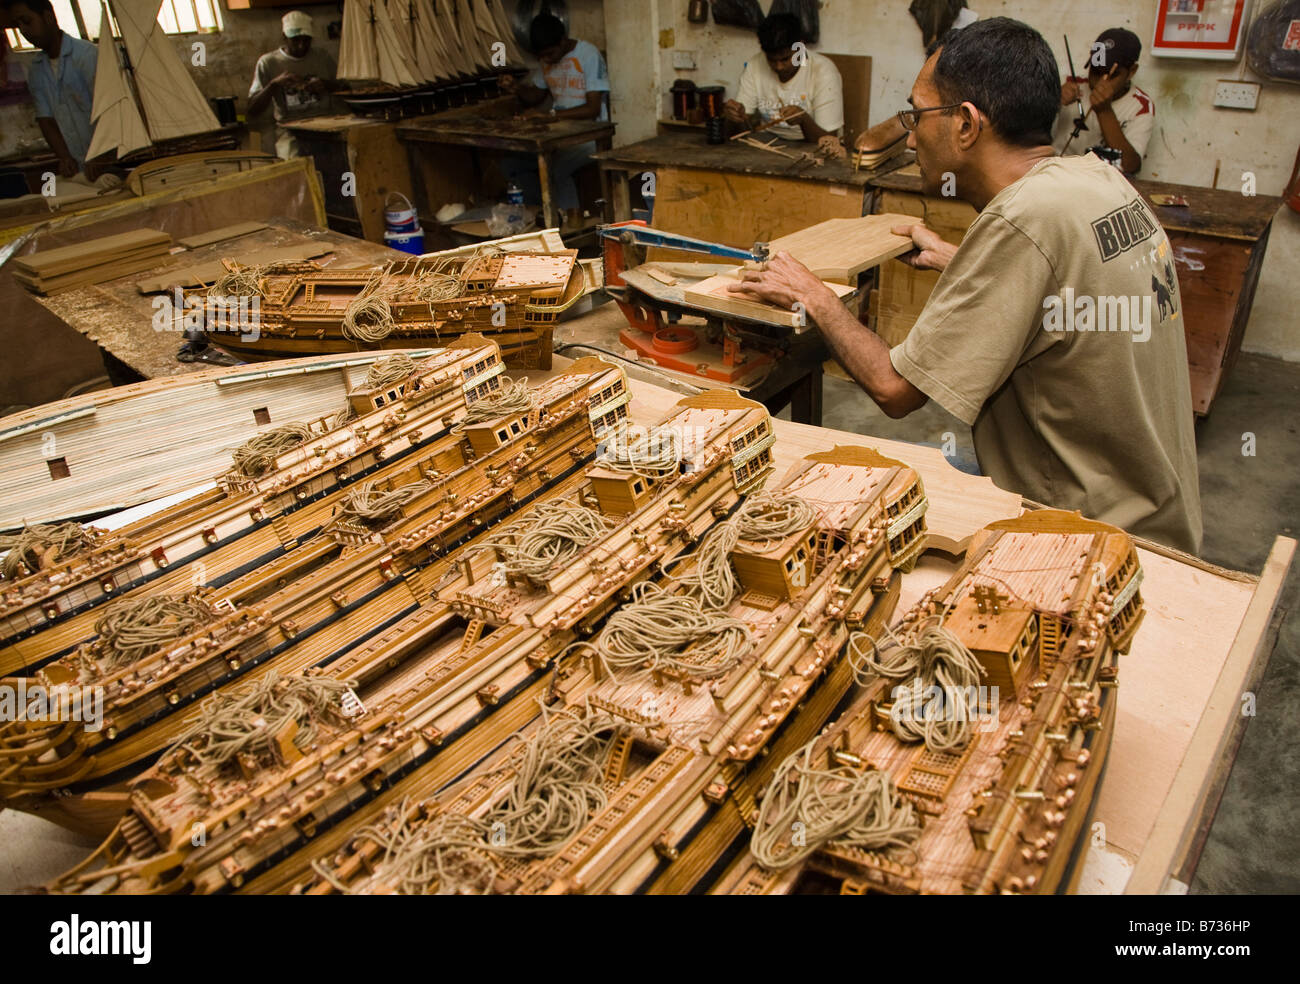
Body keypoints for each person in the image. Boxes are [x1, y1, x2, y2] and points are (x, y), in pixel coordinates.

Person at [727, 18, 1201, 553]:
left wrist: (812, 295)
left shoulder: (1021, 222)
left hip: (1089, 533)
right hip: (1158, 505)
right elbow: (1065, 292)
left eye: (917, 114)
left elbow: (895, 389)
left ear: (967, 125)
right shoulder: (1096, 181)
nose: (910, 135)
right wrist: (962, 260)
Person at [498, 12, 610, 228]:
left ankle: (570, 227)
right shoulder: (547, 59)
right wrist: (516, 88)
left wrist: (549, 116)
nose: (547, 60)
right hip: (556, 136)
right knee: (511, 165)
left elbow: (593, 108)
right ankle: (540, 217)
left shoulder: (588, 55)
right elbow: (537, 95)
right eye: (542, 56)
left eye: (550, 54)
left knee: (554, 169)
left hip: (589, 137)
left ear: (562, 41)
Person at [3, 0, 96, 177]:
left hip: (109, 160)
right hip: (80, 168)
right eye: (18, 25)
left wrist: (101, 156)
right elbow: (46, 121)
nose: (23, 30)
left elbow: (110, 112)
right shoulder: (37, 70)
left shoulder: (87, 56)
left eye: (27, 21)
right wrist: (65, 158)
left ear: (48, 17)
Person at [723, 12, 843, 142]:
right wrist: (735, 116)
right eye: (771, 59)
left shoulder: (822, 71)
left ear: (800, 46)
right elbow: (741, 130)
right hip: (767, 141)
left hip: (808, 145)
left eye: (785, 59)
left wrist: (803, 119)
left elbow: (829, 140)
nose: (779, 67)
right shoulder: (755, 65)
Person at [1055, 27, 1153, 175]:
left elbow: (1130, 166)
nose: (1099, 82)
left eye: (1111, 75)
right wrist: (1054, 100)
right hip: (1058, 173)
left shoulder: (1140, 106)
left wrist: (1105, 111)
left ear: (1131, 71)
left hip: (1103, 183)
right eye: (1095, 71)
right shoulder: (1072, 85)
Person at [248, 11, 337, 159]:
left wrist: (325, 84)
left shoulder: (322, 57)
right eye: (295, 40)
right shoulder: (269, 63)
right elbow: (252, 109)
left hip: (326, 127)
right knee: (295, 166)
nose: (301, 46)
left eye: (306, 40)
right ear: (284, 37)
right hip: (291, 130)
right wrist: (273, 85)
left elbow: (343, 87)